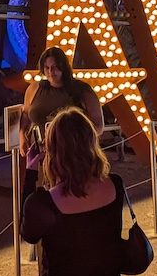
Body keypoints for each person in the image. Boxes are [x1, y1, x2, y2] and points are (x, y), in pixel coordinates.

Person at [21, 107, 132, 276]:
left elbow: (27, 232)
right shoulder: (115, 186)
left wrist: (30, 173)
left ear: (54, 151)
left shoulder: (44, 204)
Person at [20, 47, 103, 205]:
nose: (51, 72)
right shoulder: (34, 89)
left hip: (73, 158)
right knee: (44, 200)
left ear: (63, 67)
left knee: (71, 197)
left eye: (55, 67)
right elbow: (25, 114)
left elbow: (97, 125)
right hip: (42, 157)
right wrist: (22, 137)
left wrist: (81, 143)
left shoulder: (81, 90)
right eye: (47, 68)